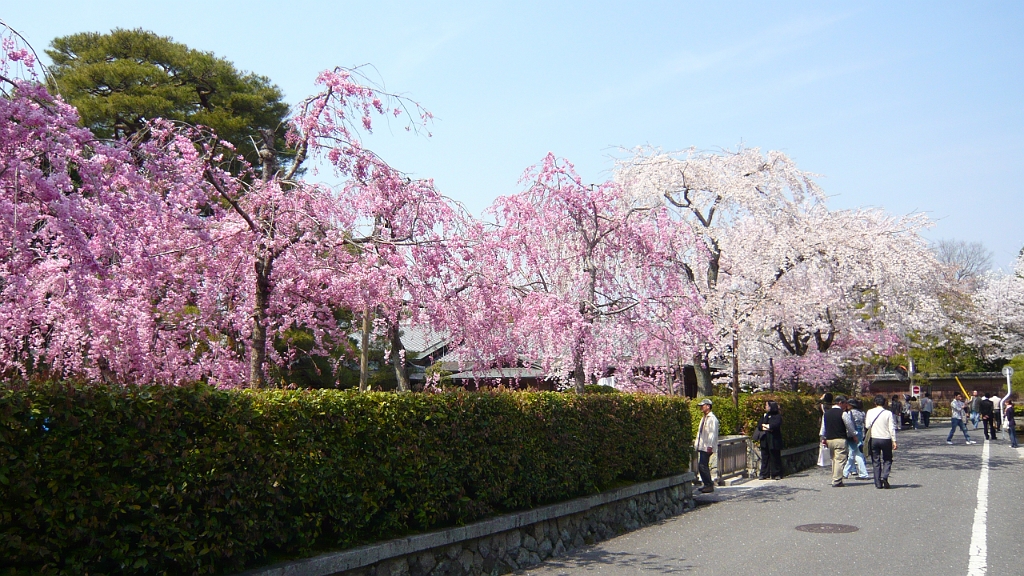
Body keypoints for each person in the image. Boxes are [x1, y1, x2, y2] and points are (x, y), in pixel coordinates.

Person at [820, 395, 858, 487]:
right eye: (845, 403)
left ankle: (835, 477)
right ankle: (837, 480)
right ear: (840, 403)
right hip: (840, 439)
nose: (846, 405)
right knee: (840, 460)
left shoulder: (826, 413)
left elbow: (823, 428)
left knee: (834, 459)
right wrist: (854, 435)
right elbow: (849, 426)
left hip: (829, 439)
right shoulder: (843, 413)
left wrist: (823, 438)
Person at [865, 395, 897, 489]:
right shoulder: (888, 413)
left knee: (876, 460)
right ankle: (885, 476)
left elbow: (867, 425)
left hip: (874, 438)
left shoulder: (870, 412)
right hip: (886, 438)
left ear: (875, 402)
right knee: (887, 459)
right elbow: (892, 427)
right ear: (884, 403)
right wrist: (894, 440)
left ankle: (878, 483)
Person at [694, 398, 720, 493]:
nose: (701, 407)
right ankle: (706, 484)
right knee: (702, 465)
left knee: (703, 465)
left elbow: (712, 433)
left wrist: (709, 446)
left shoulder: (712, 419)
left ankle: (709, 484)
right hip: (702, 445)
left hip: (707, 446)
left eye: (703, 406)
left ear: (708, 406)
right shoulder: (704, 418)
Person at [843, 398, 870, 480]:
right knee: (855, 453)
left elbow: (848, 424)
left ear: (851, 405)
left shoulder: (849, 413)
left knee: (854, 453)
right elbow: (865, 424)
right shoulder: (862, 413)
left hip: (852, 433)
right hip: (860, 432)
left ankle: (862, 473)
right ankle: (846, 472)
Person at [757, 401, 783, 480]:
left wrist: (768, 426)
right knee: (765, 457)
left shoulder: (777, 416)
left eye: (767, 405)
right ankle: (764, 474)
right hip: (765, 439)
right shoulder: (765, 415)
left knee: (775, 457)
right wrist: (767, 427)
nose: (766, 407)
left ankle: (776, 474)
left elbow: (775, 425)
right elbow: (760, 426)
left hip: (774, 440)